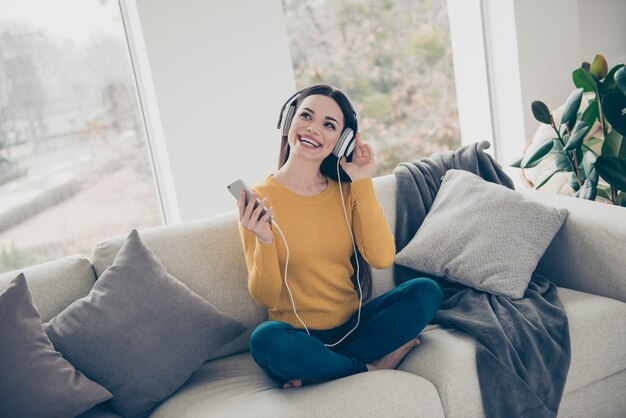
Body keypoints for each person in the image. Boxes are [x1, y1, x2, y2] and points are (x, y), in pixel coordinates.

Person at [236, 84, 442, 389]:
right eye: (306, 116)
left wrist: (361, 180)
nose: (312, 128)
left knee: (426, 291)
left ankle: (326, 369)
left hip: (355, 327)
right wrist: (264, 241)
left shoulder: (347, 192)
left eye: (329, 125)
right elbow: (265, 297)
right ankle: (368, 369)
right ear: (289, 121)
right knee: (265, 340)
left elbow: (382, 257)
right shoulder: (259, 198)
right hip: (297, 337)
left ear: (342, 141)